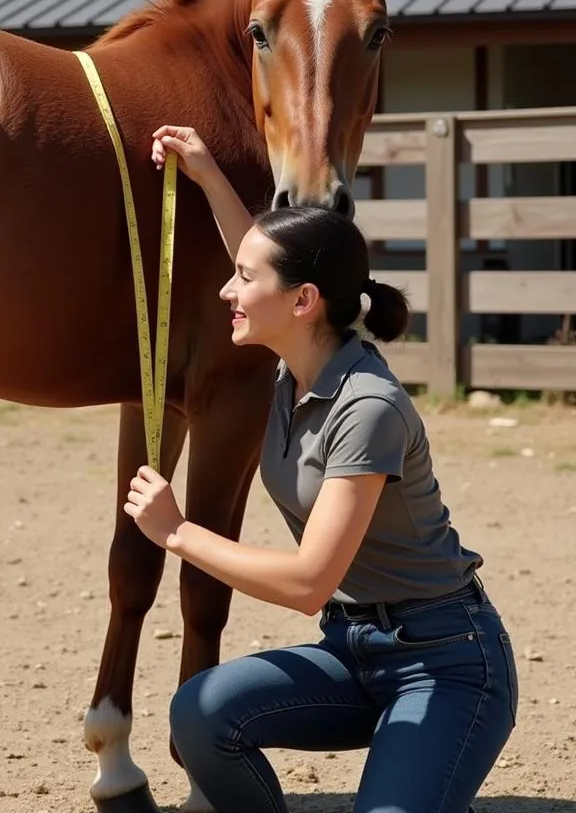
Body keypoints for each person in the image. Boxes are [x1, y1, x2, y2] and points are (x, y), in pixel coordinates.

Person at [123, 125, 519, 813]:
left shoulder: (367, 405)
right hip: (352, 652)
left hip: (445, 664)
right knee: (200, 713)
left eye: (243, 280)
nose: (227, 292)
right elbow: (266, 254)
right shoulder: (297, 367)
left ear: (303, 302)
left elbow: (309, 582)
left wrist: (178, 534)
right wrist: (209, 173)